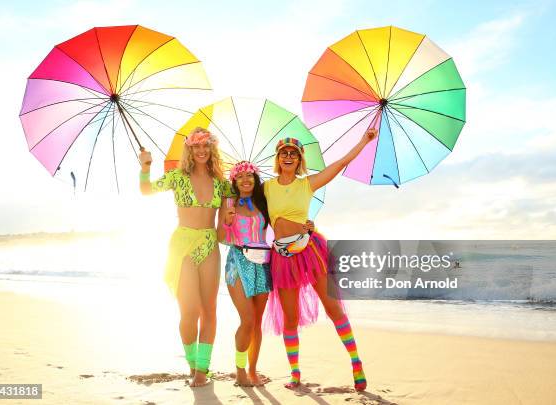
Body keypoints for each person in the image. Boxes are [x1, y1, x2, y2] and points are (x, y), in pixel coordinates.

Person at [263, 128, 378, 391]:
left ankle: (356, 362)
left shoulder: (307, 184)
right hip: (282, 256)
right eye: (284, 153)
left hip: (309, 251)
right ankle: (295, 373)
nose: (288, 157)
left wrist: (364, 140)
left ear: (300, 159)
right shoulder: (266, 187)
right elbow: (243, 195)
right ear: (278, 159)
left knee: (333, 308)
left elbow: (339, 164)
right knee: (289, 318)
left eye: (294, 153)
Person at [139, 127, 232, 387]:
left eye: (206, 146)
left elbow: (223, 233)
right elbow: (146, 190)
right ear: (190, 149)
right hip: (183, 246)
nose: (201, 151)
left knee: (209, 310)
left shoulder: (223, 184)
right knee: (189, 311)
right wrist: (145, 167)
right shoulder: (177, 177)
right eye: (196, 146)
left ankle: (203, 370)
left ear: (212, 149)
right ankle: (193, 364)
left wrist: (228, 217)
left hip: (210, 244)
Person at [217, 161, 314, 387]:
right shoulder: (228, 202)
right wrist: (227, 221)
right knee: (247, 319)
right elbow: (221, 236)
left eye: (250, 176)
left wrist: (306, 225)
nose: (245, 180)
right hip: (237, 261)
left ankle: (252, 370)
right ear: (234, 181)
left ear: (255, 178)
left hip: (262, 262)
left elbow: (283, 220)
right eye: (240, 177)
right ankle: (240, 370)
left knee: (256, 322)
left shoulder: (264, 201)